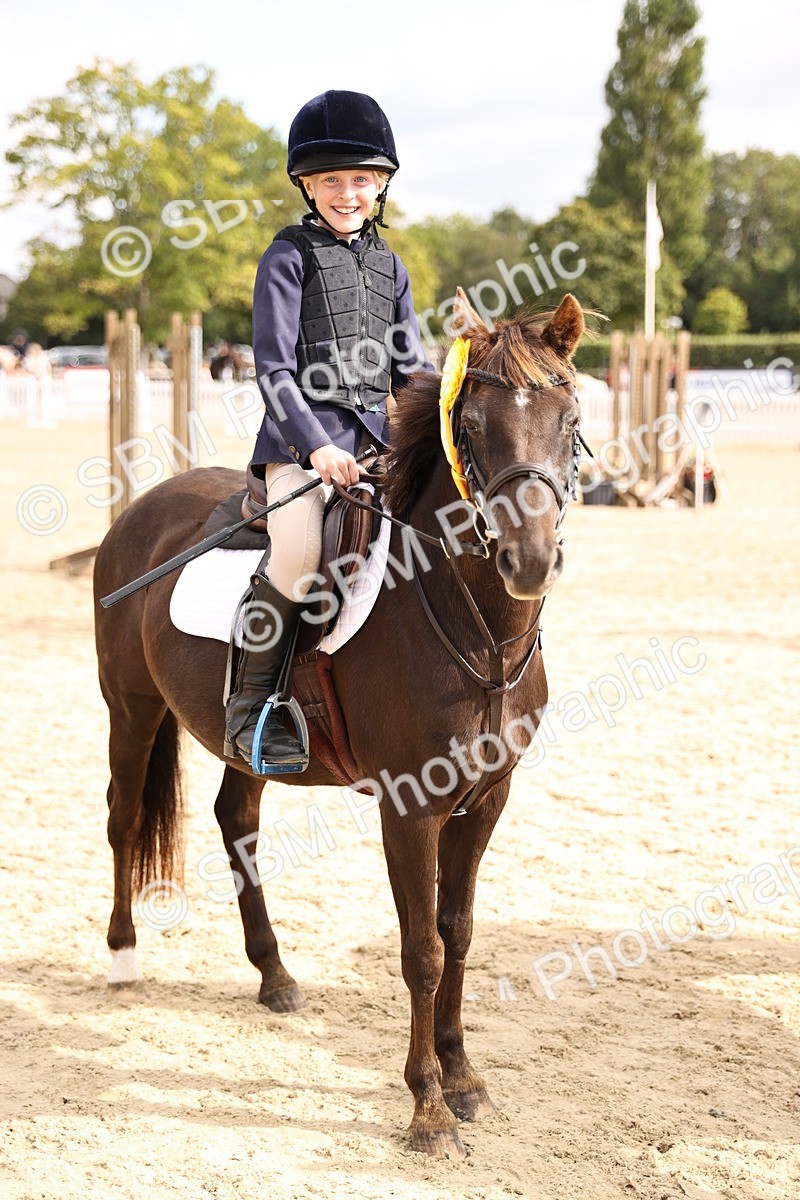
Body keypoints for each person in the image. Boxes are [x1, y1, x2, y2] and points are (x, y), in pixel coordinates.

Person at [224, 90, 430, 772]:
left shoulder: (391, 266)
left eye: (361, 179)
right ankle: (253, 709)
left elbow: (410, 371)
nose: (348, 193)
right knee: (302, 551)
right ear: (307, 186)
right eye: (332, 180)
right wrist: (317, 447)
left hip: (377, 450)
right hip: (298, 450)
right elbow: (275, 368)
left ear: (381, 185)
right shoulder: (288, 256)